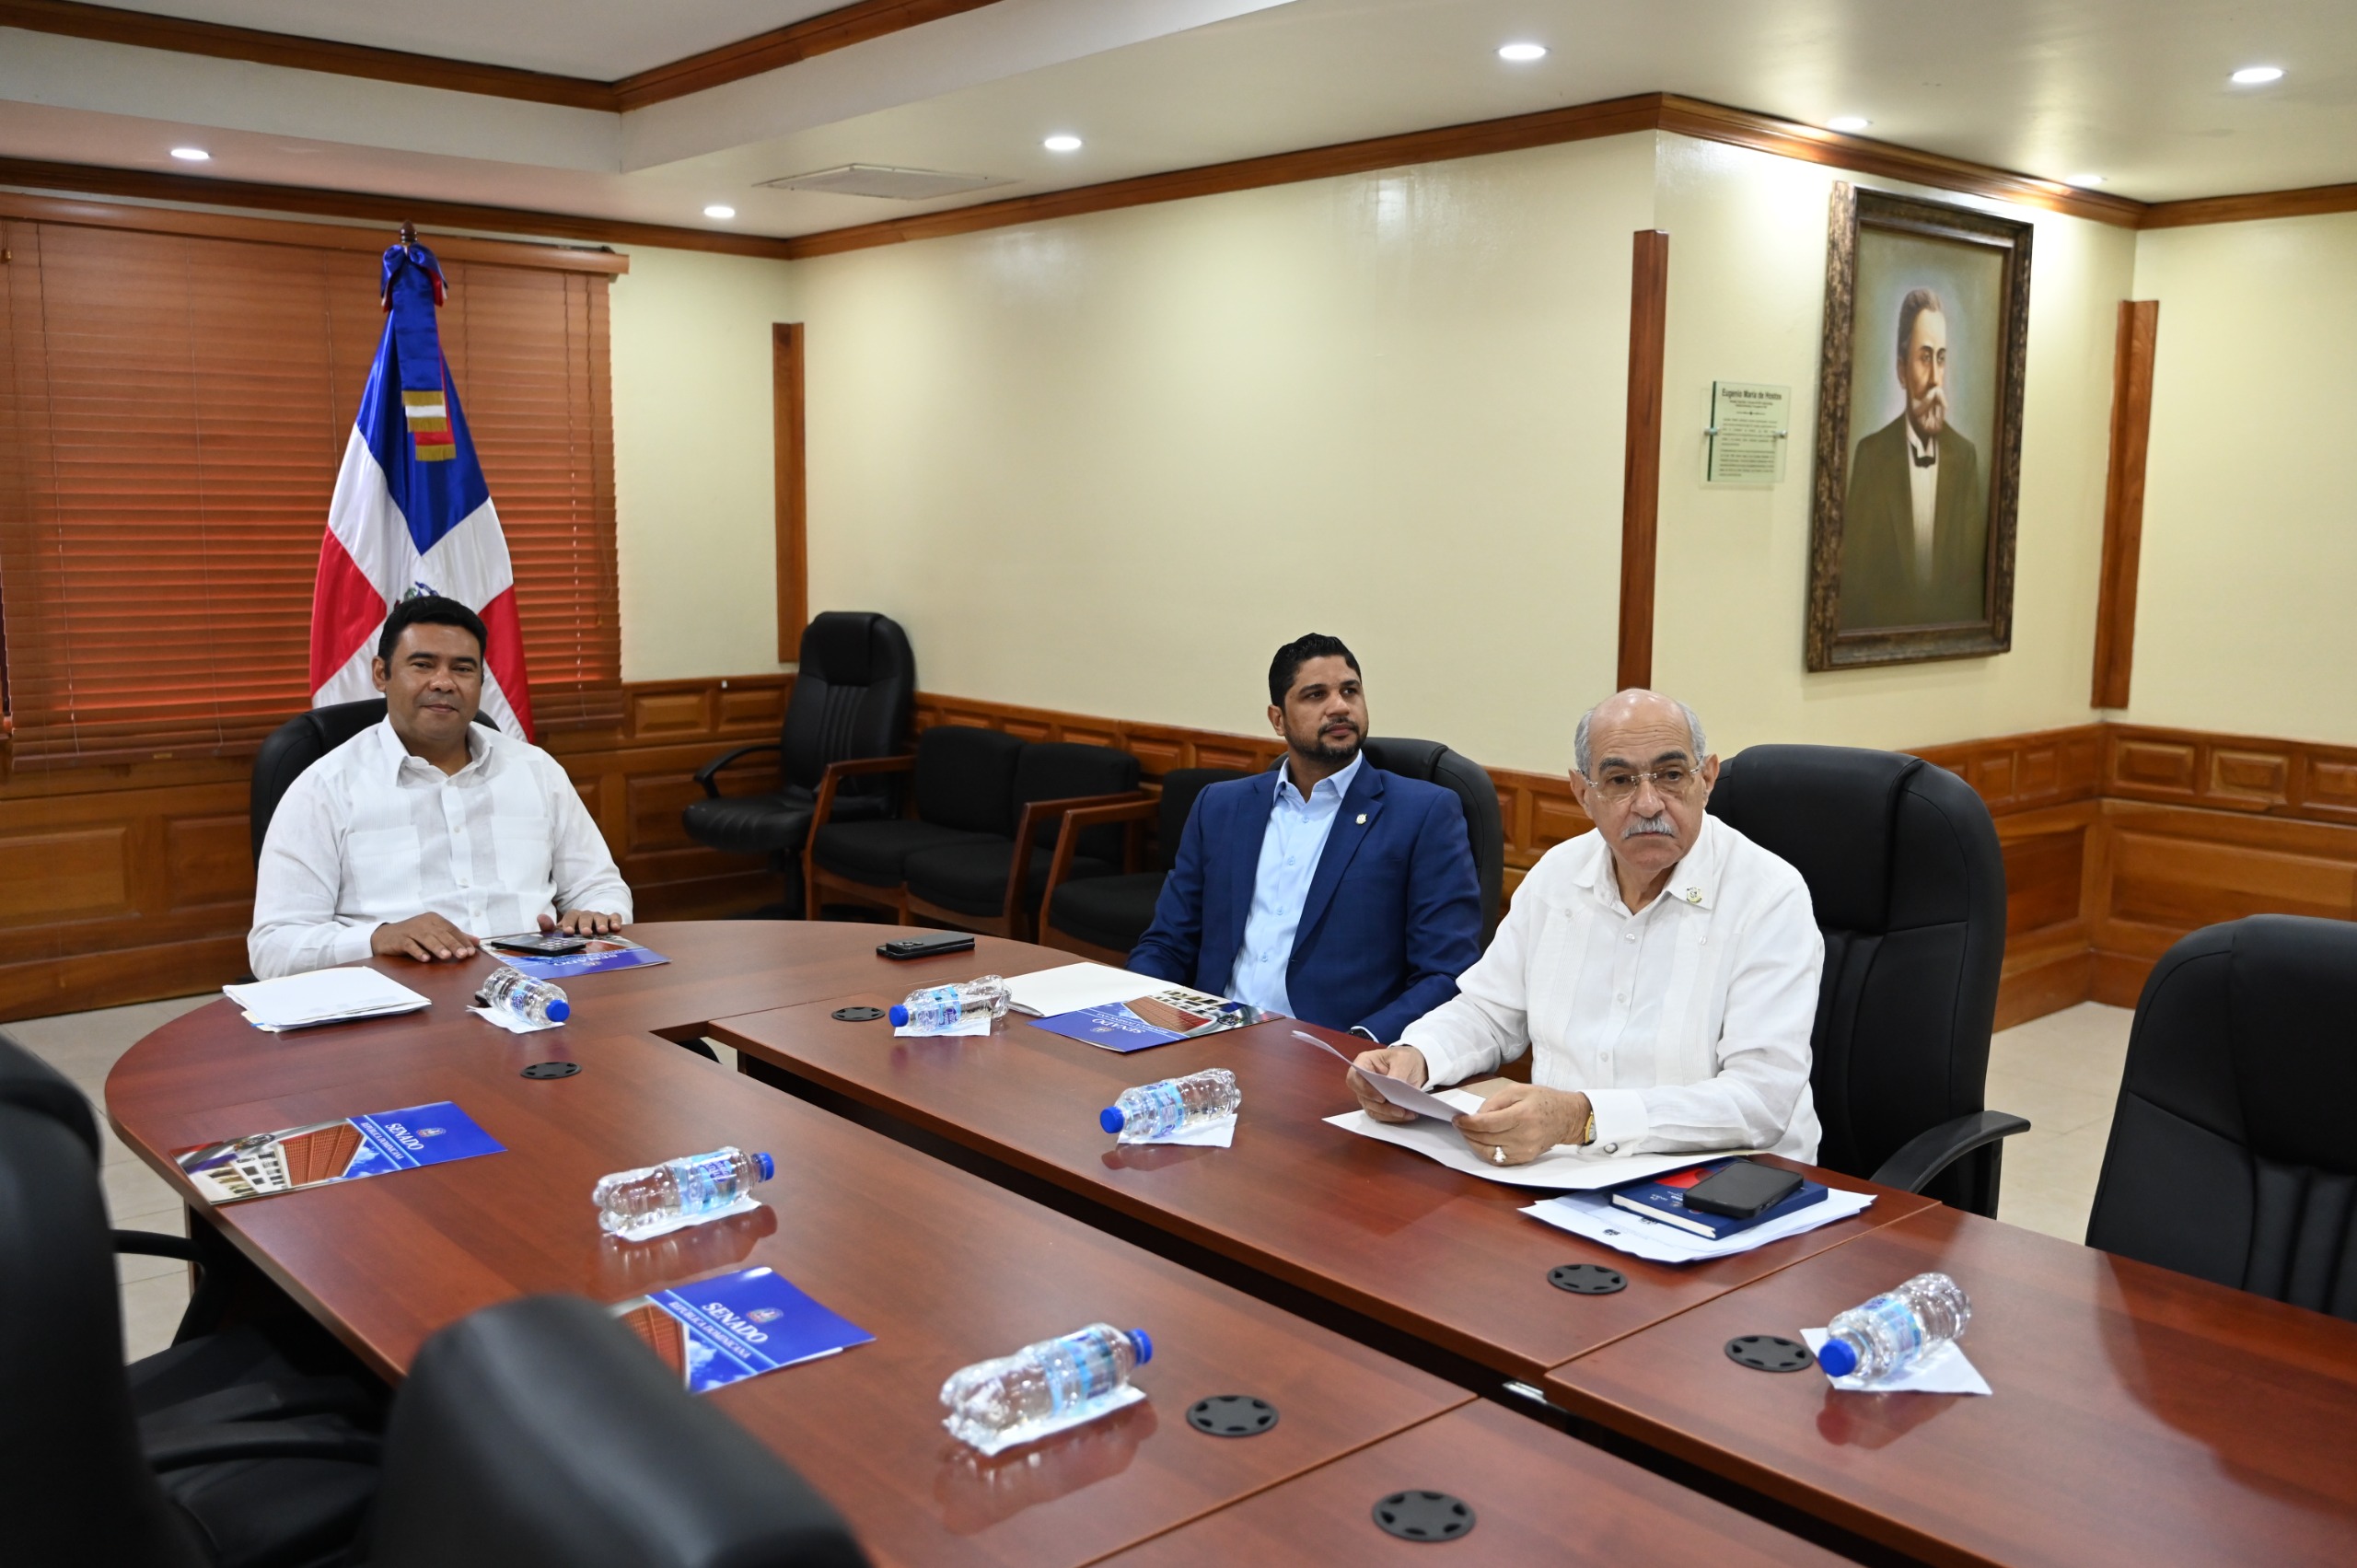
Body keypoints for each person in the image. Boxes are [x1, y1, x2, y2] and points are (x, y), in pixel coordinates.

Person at [1349, 690, 1823, 1164]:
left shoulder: (1768, 896)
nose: (1648, 803)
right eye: (1619, 781)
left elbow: (1761, 1099)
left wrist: (1584, 1119)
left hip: (1726, 1176)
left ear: (1707, 779)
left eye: (1671, 775)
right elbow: (1488, 1011)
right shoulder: (1558, 874)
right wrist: (1417, 1055)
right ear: (1583, 794)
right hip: (1567, 1171)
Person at [249, 596, 632, 981]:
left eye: (462, 669)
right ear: (381, 674)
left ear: (480, 681)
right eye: (423, 665)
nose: (444, 683)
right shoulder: (324, 789)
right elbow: (273, 948)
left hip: (537, 987)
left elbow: (599, 886)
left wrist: (596, 916)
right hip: (401, 999)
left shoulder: (535, 769)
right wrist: (377, 938)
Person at [1128, 633, 1481, 1043]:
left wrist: (1362, 1043)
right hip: (1211, 1035)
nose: (1339, 706)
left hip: (1332, 1048)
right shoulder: (1221, 806)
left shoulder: (1423, 813)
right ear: (1278, 719)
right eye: (1316, 695)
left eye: (1350, 691)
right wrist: (1132, 1012)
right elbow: (1168, 942)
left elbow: (1445, 972)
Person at [1839, 287, 1989, 630]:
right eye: (1924, 358)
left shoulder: (1965, 458)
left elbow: (1971, 580)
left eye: (1941, 358)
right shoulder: (1871, 457)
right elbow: (1854, 585)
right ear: (1901, 370)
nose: (1935, 379)